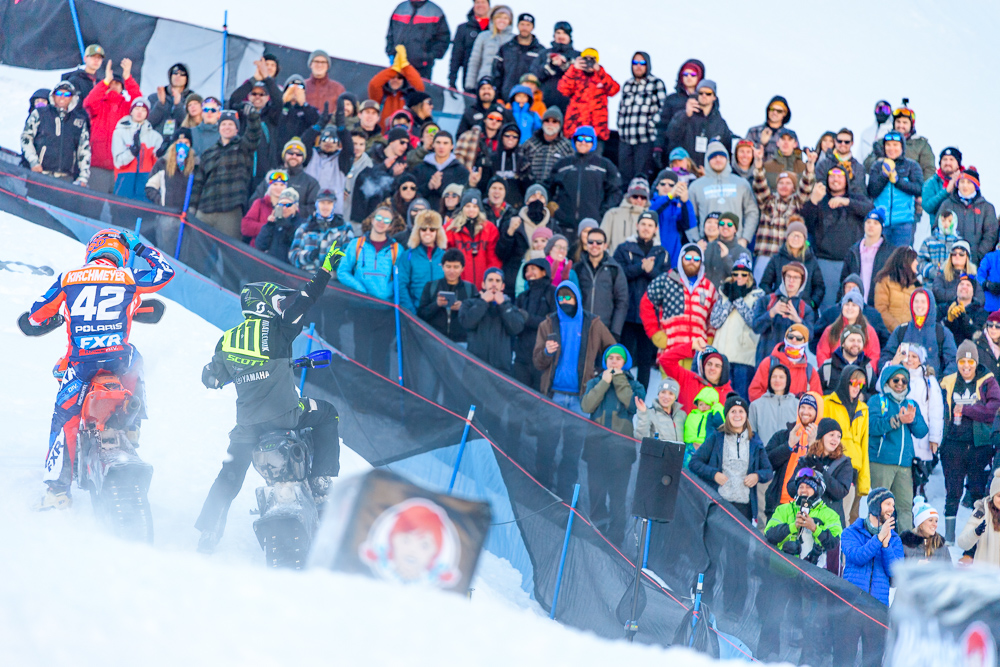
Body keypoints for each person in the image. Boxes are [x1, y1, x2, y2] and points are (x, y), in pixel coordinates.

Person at [196, 244, 344, 552]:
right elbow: (307, 297)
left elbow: (212, 378)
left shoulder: (228, 339)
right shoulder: (278, 328)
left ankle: (208, 534)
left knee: (230, 474)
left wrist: (220, 375)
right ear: (263, 305)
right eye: (277, 301)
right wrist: (326, 270)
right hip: (285, 414)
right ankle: (319, 483)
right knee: (328, 413)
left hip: (247, 426)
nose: (281, 306)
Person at [26, 229, 173, 509]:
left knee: (64, 420)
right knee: (137, 359)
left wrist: (60, 313)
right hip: (118, 360)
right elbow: (164, 273)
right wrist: (141, 248)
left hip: (81, 365)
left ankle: (58, 492)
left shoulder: (69, 278)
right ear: (121, 253)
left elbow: (35, 315)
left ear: (91, 250)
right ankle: (133, 425)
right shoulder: (127, 278)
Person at [532, 281, 617, 496]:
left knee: (572, 451)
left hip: (581, 400)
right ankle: (541, 491)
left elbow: (613, 350)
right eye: (560, 298)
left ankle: (564, 496)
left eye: (568, 297)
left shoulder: (593, 323)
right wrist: (547, 353)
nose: (564, 302)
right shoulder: (548, 323)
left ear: (577, 298)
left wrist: (599, 374)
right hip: (553, 396)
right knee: (546, 446)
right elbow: (537, 362)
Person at [580, 344, 646, 544]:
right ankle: (597, 529)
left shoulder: (635, 386)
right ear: (605, 362)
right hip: (596, 448)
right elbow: (586, 405)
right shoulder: (595, 382)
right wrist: (604, 382)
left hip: (621, 451)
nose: (614, 361)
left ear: (625, 363)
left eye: (618, 358)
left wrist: (618, 380)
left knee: (618, 495)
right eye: (611, 358)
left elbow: (633, 406)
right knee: (596, 492)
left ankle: (615, 537)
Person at [940, 341, 1000, 543]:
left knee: (977, 494)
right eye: (962, 361)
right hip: (953, 444)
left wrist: (967, 409)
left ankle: (975, 538)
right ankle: (949, 538)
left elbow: (992, 410)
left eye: (971, 361)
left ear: (976, 362)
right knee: (953, 492)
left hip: (979, 446)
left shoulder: (987, 380)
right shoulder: (948, 381)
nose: (966, 365)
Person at [690, 395, 773, 521]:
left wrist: (756, 476)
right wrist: (714, 474)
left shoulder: (755, 441)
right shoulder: (716, 437)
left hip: (745, 508)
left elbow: (768, 471)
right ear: (727, 415)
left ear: (746, 415)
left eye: (741, 411)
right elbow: (694, 463)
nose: (737, 415)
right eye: (733, 411)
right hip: (718, 505)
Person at [869, 365, 930, 532]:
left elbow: (922, 431)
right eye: (896, 380)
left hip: (904, 464)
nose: (900, 383)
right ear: (887, 381)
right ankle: (878, 543)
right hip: (881, 462)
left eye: (904, 380)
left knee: (904, 507)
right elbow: (871, 426)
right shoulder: (877, 401)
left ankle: (905, 546)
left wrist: (912, 420)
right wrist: (897, 419)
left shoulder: (911, 404)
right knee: (880, 507)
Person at [802, 165, 873, 306]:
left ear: (846, 180)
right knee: (827, 306)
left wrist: (846, 202)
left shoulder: (856, 198)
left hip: (851, 262)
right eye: (832, 176)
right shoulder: (820, 200)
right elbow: (806, 224)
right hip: (825, 261)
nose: (835, 180)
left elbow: (870, 210)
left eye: (840, 176)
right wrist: (813, 201)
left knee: (852, 305)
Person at [614, 212, 667, 388]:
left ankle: (641, 398)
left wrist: (651, 271)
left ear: (656, 229)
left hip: (650, 317)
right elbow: (617, 274)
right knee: (625, 357)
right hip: (627, 313)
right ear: (637, 226)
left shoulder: (662, 252)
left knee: (645, 360)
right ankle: (622, 393)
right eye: (643, 224)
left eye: (650, 225)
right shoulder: (623, 248)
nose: (646, 228)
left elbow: (667, 281)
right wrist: (640, 268)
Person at [189, 110, 262, 239]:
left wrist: (252, 117)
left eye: (230, 124)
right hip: (205, 209)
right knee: (197, 249)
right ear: (219, 128)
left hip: (230, 209)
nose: (227, 127)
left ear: (237, 129)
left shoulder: (243, 148)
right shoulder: (208, 153)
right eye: (223, 124)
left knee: (228, 252)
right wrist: (192, 208)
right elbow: (198, 183)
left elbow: (254, 135)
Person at [641, 243, 718, 361]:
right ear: (681, 258)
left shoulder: (709, 287)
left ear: (701, 263)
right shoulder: (666, 280)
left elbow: (714, 317)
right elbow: (646, 304)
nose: (692, 261)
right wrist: (655, 334)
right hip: (671, 351)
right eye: (688, 258)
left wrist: (709, 339)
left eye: (696, 259)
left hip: (698, 355)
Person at [752, 145, 816, 282]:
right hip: (766, 252)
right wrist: (758, 163)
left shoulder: (797, 203)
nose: (784, 186)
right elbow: (759, 183)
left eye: (788, 183)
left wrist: (810, 166)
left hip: (787, 256)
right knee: (760, 288)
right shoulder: (767, 201)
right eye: (781, 183)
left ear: (793, 187)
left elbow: (806, 186)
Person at [546, 125, 622, 237]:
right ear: (574, 141)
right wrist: (554, 209)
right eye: (579, 139)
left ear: (593, 143)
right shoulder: (563, 164)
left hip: (592, 226)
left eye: (588, 139)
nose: (583, 142)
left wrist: (602, 213)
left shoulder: (604, 165)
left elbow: (616, 192)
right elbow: (547, 187)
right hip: (564, 225)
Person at [765, 466, 844, 571]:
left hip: (815, 575)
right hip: (782, 571)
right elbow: (769, 535)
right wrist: (793, 527)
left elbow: (834, 544)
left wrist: (815, 528)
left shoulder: (830, 515)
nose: (804, 491)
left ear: (818, 490)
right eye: (801, 487)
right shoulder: (783, 509)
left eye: (809, 487)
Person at [822, 364, 871, 525]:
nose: (857, 388)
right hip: (833, 467)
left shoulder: (863, 409)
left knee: (851, 517)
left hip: (854, 470)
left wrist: (864, 481)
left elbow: (864, 445)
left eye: (861, 384)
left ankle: (845, 551)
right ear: (844, 381)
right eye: (854, 383)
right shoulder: (827, 403)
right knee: (832, 516)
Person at [83, 57, 140, 194]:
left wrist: (128, 77)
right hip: (97, 166)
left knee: (117, 210)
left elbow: (139, 101)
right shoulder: (98, 106)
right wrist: (105, 81)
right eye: (111, 83)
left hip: (121, 168)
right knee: (94, 205)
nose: (114, 86)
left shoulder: (127, 108)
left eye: (118, 84)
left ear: (122, 88)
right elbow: (88, 103)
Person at [841, 486, 903, 607]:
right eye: (887, 504)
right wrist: (879, 538)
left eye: (893, 505)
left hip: (878, 607)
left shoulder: (894, 540)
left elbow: (895, 573)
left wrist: (886, 546)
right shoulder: (851, 532)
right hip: (851, 603)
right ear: (875, 506)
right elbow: (858, 557)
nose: (891, 508)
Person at [20, 81, 91, 186]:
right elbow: (26, 138)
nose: (62, 97)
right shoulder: (40, 113)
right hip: (40, 174)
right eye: (59, 94)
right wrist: (33, 162)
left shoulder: (78, 120)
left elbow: (84, 149)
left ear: (72, 97)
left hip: (66, 178)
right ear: (53, 95)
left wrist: (83, 177)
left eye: (67, 94)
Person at [880, 287, 958, 378]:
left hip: (931, 387)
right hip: (903, 386)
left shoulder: (942, 332)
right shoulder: (901, 330)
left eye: (923, 302)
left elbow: (953, 361)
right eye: (916, 302)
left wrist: (941, 382)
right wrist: (894, 374)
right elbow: (885, 357)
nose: (919, 305)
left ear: (930, 305)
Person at [764, 393, 822, 516]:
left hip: (810, 506)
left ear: (818, 412)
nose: (805, 411)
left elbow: (824, 471)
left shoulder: (824, 440)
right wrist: (788, 445)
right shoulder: (783, 435)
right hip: (781, 503)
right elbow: (766, 463)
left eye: (810, 408)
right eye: (803, 407)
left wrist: (812, 446)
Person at [458, 267, 525, 374]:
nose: (494, 284)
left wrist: (503, 305)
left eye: (497, 281)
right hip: (475, 367)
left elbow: (516, 328)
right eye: (490, 280)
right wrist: (483, 302)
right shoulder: (469, 303)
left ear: (502, 286)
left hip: (501, 369)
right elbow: (467, 323)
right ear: (483, 284)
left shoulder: (511, 307)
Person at [751, 261, 816, 365]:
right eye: (788, 276)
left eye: (796, 278)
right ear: (783, 278)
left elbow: (809, 337)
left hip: (793, 363)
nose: (791, 281)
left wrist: (797, 319)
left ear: (802, 282)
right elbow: (755, 327)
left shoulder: (805, 309)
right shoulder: (766, 301)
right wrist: (772, 312)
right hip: (766, 360)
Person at [866, 130, 924, 247]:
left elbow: (918, 189)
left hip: (904, 223)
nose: (891, 148)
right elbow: (872, 191)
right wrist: (884, 176)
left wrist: (898, 181)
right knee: (881, 261)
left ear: (902, 147)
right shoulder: (877, 166)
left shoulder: (911, 166)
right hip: (880, 222)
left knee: (900, 261)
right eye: (888, 145)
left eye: (895, 145)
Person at [617, 51, 667, 184]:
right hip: (626, 140)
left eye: (642, 63)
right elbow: (621, 109)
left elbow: (662, 110)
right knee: (625, 178)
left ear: (648, 65)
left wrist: (650, 125)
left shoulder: (656, 84)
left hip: (644, 140)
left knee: (641, 178)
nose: (638, 66)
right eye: (635, 63)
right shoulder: (627, 84)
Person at [557, 48, 620, 149]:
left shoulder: (602, 77)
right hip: (575, 130)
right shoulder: (575, 75)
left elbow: (614, 90)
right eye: (586, 59)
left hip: (597, 131)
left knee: (595, 162)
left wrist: (600, 71)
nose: (589, 62)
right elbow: (563, 89)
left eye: (592, 59)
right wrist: (573, 68)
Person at [572, 228, 628, 339]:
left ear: (605, 245)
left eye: (599, 242)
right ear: (586, 244)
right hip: (580, 330)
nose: (594, 245)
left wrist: (615, 332)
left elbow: (622, 302)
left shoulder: (614, 269)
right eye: (591, 242)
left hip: (605, 330)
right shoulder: (578, 268)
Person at [663, 79, 733, 168]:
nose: (704, 96)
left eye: (708, 93)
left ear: (714, 97)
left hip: (709, 173)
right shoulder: (685, 115)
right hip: (685, 171)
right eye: (701, 93)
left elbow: (726, 151)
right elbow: (671, 136)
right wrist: (685, 115)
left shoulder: (720, 123)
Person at [759, 218, 825, 312]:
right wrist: (773, 301)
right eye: (793, 235)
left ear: (804, 240)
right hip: (780, 308)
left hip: (803, 310)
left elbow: (819, 287)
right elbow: (764, 284)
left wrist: (812, 303)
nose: (795, 239)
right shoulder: (777, 259)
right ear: (787, 237)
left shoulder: (811, 260)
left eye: (799, 236)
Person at [337, 204, 401, 301]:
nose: (382, 222)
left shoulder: (397, 249)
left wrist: (387, 292)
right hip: (358, 303)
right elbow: (342, 272)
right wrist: (358, 288)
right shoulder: (356, 244)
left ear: (390, 226)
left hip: (385, 306)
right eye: (379, 218)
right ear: (372, 220)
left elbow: (402, 278)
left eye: (387, 220)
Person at [936, 167, 999, 265]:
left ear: (976, 185)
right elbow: (937, 228)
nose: (965, 185)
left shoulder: (987, 207)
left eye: (969, 182)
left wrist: (977, 256)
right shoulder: (947, 204)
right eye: (962, 182)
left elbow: (991, 234)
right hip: (950, 259)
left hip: (976, 262)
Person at [444, 188, 501, 288]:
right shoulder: (450, 229)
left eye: (475, 206)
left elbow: (493, 258)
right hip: (459, 284)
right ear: (462, 208)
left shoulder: (489, 229)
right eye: (468, 206)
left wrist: (490, 281)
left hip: (482, 283)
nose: (471, 209)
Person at [512, 258, 555, 389]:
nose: (529, 273)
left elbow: (553, 323)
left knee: (540, 397)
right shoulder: (523, 296)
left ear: (544, 272)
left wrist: (528, 318)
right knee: (519, 395)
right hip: (522, 356)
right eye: (527, 270)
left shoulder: (552, 293)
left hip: (543, 356)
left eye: (533, 269)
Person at [418, 248, 476, 344]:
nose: (452, 271)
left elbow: (476, 317)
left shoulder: (470, 288)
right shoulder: (431, 286)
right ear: (442, 267)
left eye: (456, 267)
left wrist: (462, 307)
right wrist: (436, 304)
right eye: (448, 266)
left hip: (461, 341)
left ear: (463, 268)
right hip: (435, 340)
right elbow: (421, 314)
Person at [749, 324, 821, 400]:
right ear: (786, 338)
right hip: (772, 411)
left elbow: (816, 400)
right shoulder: (769, 363)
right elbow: (754, 391)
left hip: (796, 411)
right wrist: (772, 404)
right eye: (790, 337)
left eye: (798, 338)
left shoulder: (809, 371)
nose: (794, 340)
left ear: (805, 342)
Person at [840, 209, 896, 307]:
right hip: (854, 305)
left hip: (878, 306)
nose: (871, 225)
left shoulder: (890, 252)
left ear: (882, 227)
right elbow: (844, 280)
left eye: (876, 223)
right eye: (868, 222)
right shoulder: (853, 251)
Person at [109, 98, 162, 201]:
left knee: (144, 214)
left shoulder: (155, 136)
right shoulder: (119, 132)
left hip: (145, 183)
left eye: (143, 110)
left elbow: (158, 165)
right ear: (131, 111)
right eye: (137, 108)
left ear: (147, 113)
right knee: (120, 213)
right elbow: (118, 162)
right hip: (124, 182)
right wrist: (132, 152)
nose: (139, 112)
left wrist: (160, 153)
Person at [863, 106, 935, 182]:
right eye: (898, 122)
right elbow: (866, 165)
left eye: (905, 123)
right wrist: (879, 160)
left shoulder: (920, 144)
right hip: (884, 187)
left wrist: (922, 190)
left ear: (911, 125)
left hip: (910, 189)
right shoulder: (883, 141)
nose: (901, 125)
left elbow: (929, 169)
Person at [288, 190, 355, 271]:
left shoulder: (345, 228)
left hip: (332, 279)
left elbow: (349, 257)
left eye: (329, 203)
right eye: (322, 203)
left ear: (334, 205)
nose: (325, 207)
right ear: (316, 204)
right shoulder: (304, 228)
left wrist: (333, 261)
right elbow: (292, 255)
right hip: (307, 277)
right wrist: (309, 256)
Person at [658, 344, 734, 414]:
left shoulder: (729, 395)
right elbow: (665, 360)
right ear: (703, 367)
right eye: (709, 364)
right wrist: (691, 347)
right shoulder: (688, 379)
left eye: (717, 366)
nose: (712, 368)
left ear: (723, 370)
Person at [385, 0, 451, 79]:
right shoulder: (400, 8)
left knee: (417, 91)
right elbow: (391, 34)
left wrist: (428, 56)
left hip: (421, 68)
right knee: (396, 90)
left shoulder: (435, 11)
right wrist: (391, 52)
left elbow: (443, 39)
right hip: (398, 64)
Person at [397, 209, 447, 314]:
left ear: (438, 232)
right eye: (423, 229)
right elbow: (401, 285)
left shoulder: (444, 256)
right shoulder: (408, 256)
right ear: (418, 231)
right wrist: (411, 312)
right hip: (417, 313)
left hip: (440, 313)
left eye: (432, 229)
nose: (427, 232)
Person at [817, 290, 881, 368]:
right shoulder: (831, 330)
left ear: (860, 309)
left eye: (854, 305)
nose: (849, 308)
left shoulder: (869, 331)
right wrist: (829, 372)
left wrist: (863, 373)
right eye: (847, 304)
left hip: (860, 377)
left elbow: (874, 356)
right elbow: (822, 354)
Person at [650, 169, 699, 266]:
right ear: (657, 186)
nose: (666, 187)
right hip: (653, 257)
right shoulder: (651, 203)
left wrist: (685, 201)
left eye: (671, 185)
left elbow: (689, 224)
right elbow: (652, 211)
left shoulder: (678, 206)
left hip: (673, 257)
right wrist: (670, 196)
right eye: (663, 184)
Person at [748, 361, 797, 455]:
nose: (777, 380)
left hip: (789, 456)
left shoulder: (797, 405)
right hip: (763, 455)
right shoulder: (756, 406)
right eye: (774, 376)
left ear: (787, 380)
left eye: (781, 377)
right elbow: (751, 436)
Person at [302, 125, 353, 216]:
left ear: (338, 145)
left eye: (333, 141)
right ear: (319, 142)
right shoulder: (311, 156)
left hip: (333, 212)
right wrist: (318, 125)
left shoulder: (342, 160)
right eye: (325, 139)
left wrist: (341, 127)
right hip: (308, 210)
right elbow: (304, 142)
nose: (328, 143)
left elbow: (348, 147)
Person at [491, 13, 543, 100]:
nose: (524, 28)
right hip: (506, 98)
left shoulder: (540, 51)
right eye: (522, 24)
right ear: (517, 26)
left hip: (529, 100)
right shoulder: (506, 48)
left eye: (528, 25)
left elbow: (542, 77)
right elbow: (496, 73)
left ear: (532, 27)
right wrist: (497, 97)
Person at [465, 6, 514, 92]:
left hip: (505, 85)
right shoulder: (484, 36)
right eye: (499, 17)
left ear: (510, 21)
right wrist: (470, 85)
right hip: (484, 82)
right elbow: (474, 62)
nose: (502, 20)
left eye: (505, 18)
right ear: (493, 19)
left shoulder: (514, 40)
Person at [145, 129, 197, 212]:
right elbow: (150, 187)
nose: (182, 146)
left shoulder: (196, 165)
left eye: (186, 143)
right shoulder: (162, 163)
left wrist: (193, 208)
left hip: (188, 215)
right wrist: (162, 202)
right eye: (179, 142)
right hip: (167, 214)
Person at [519, 107, 573, 185]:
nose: (550, 124)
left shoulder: (567, 146)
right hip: (532, 190)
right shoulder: (530, 144)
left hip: (556, 191)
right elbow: (521, 168)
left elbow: (569, 172)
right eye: (547, 121)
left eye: (554, 121)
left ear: (560, 124)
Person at [819, 323, 877, 394]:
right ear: (843, 343)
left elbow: (874, 395)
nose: (856, 344)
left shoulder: (868, 369)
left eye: (859, 341)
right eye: (852, 340)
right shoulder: (827, 367)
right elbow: (817, 393)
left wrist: (864, 397)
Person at [873, 246, 920, 332]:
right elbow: (881, 310)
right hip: (889, 335)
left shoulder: (917, 285)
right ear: (906, 262)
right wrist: (898, 330)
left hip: (911, 335)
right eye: (914, 260)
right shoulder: (884, 282)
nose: (917, 262)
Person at [957, 470, 1000, 565]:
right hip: (985, 575)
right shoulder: (982, 512)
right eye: (999, 496)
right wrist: (975, 533)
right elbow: (962, 542)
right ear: (992, 496)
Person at [450, 0, 491, 91]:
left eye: (483, 2)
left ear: (489, 5)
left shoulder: (496, 28)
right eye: (477, 2)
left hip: (491, 80)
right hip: (469, 79)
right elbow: (456, 56)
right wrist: (452, 82)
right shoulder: (463, 29)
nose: (480, 5)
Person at [601, 177, 650, 252]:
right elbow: (601, 241)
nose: (639, 200)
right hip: (616, 262)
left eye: (643, 197)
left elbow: (655, 244)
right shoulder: (613, 214)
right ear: (629, 196)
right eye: (635, 196)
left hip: (641, 262)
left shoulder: (651, 218)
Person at [242, 169, 289, 245]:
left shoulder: (290, 205)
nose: (278, 188)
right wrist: (268, 226)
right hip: (258, 250)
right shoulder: (259, 203)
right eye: (275, 184)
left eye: (282, 185)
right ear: (269, 186)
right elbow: (245, 227)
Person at [254, 187, 300, 262]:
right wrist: (269, 225)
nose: (284, 208)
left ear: (296, 207)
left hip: (290, 268)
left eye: (288, 205)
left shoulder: (302, 224)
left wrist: (287, 227)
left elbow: (296, 245)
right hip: (273, 266)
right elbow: (260, 245)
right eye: (281, 204)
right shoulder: (274, 223)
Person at [634, 377, 686, 442]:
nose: (666, 397)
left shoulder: (682, 415)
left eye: (671, 393)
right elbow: (641, 437)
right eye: (663, 392)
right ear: (658, 394)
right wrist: (643, 414)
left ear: (675, 397)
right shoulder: (650, 413)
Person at [815, 128, 866, 195]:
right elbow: (820, 186)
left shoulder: (859, 168)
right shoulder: (823, 164)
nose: (843, 144)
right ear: (835, 142)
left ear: (852, 143)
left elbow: (860, 191)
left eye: (846, 142)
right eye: (840, 141)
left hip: (850, 203)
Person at [942, 274, 988, 347]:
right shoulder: (943, 308)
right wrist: (948, 320)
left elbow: (976, 335)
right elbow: (939, 333)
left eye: (968, 285)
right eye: (961, 284)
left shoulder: (981, 312)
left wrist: (963, 316)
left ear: (973, 291)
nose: (964, 287)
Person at [146, 63, 192, 136]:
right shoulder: (155, 97)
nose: (178, 76)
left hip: (180, 143)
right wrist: (160, 104)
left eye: (182, 74)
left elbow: (190, 125)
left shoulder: (192, 99)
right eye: (175, 73)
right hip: (157, 142)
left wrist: (178, 105)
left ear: (187, 78)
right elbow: (148, 123)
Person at [702, 212, 747, 287]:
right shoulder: (707, 247)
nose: (725, 227)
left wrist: (726, 258)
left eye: (729, 225)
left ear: (735, 229)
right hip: (707, 294)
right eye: (722, 223)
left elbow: (742, 280)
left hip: (729, 295)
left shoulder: (743, 252)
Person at [918, 211, 964, 283]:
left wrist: (952, 274)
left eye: (949, 221)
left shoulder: (960, 243)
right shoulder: (929, 242)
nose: (946, 224)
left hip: (954, 285)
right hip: (931, 284)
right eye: (943, 221)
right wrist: (935, 273)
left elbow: (966, 264)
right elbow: (920, 262)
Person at [899, 498, 949, 562]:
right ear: (921, 524)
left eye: (936, 521)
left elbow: (950, 570)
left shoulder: (941, 546)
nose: (935, 524)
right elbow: (898, 569)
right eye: (930, 520)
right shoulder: (905, 545)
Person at [922, 146, 964, 218]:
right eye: (945, 159)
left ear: (958, 164)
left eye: (951, 159)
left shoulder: (966, 181)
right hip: (939, 226)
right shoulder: (931, 182)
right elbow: (927, 207)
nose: (948, 163)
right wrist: (946, 191)